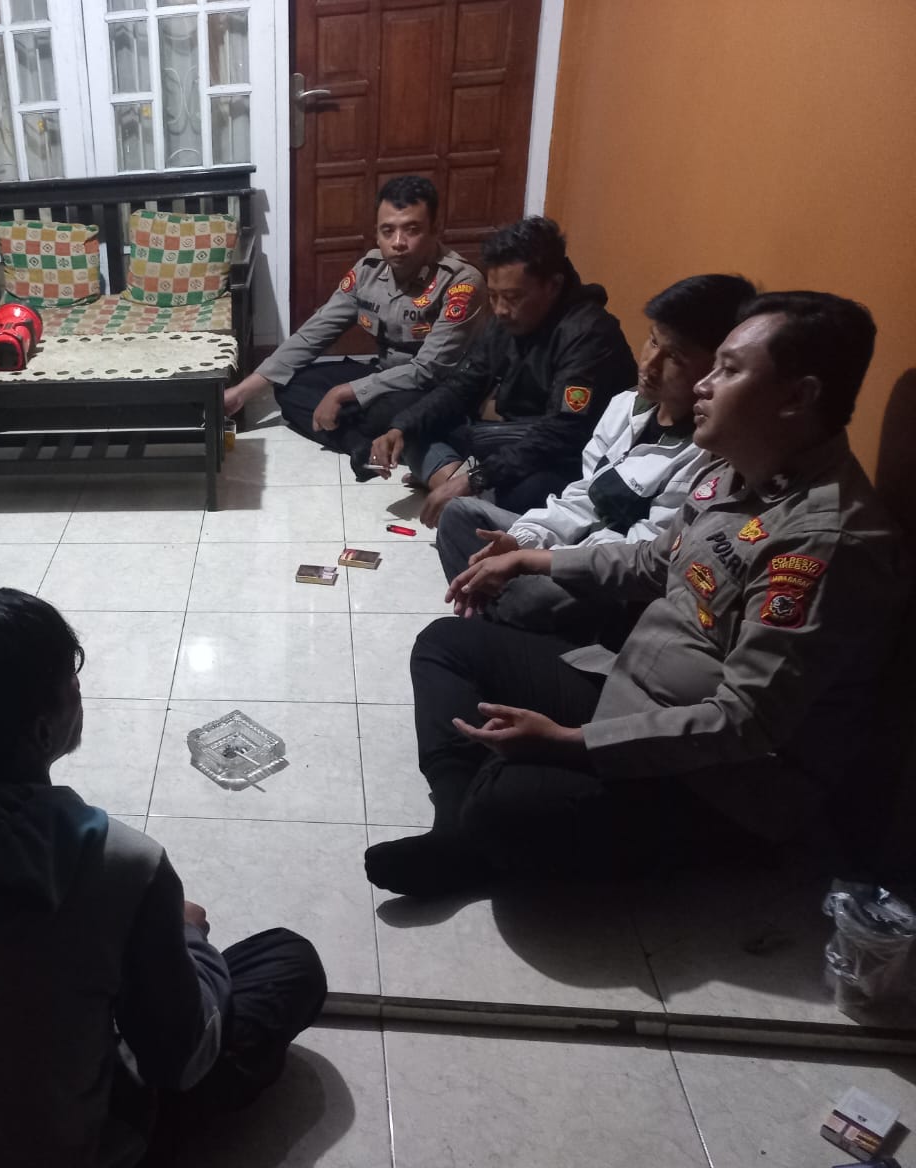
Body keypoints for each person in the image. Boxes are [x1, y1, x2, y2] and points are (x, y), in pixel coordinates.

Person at [364, 291, 910, 898]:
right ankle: (456, 825)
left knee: (507, 803)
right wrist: (529, 557)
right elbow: (654, 560)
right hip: (626, 686)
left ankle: (483, 822)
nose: (704, 384)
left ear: (797, 397)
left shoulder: (825, 541)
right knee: (446, 644)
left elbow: (746, 723)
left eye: (729, 370)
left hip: (716, 781)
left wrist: (570, 744)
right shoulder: (734, 469)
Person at [0, 589, 328, 1168]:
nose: (80, 692)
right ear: (43, 728)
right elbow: (181, 1061)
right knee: (288, 960)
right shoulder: (123, 865)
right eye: (71, 681)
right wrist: (188, 935)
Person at [434, 273, 756, 638]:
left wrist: (542, 562)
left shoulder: (708, 453)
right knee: (460, 516)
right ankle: (501, 630)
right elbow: (582, 495)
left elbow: (642, 554)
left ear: (716, 369)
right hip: (571, 550)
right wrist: (524, 539)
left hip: (614, 580)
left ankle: (496, 634)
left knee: (530, 596)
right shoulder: (626, 405)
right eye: (653, 341)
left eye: (676, 358)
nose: (650, 364)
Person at [365, 216, 638, 521]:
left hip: (565, 456)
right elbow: (463, 386)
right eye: (493, 296)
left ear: (553, 286)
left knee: (524, 493)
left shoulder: (588, 333)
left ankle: (453, 482)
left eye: (512, 297)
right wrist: (401, 428)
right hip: (509, 439)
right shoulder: (506, 320)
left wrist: (476, 478)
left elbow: (563, 433)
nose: (500, 309)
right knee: (413, 423)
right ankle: (459, 486)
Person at [225, 175, 486, 455]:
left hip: (437, 390)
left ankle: (383, 436)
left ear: (434, 230)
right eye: (388, 231)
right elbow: (314, 333)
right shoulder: (368, 271)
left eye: (412, 230)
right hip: (384, 374)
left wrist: (344, 392)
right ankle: (360, 446)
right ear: (377, 234)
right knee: (290, 387)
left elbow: (427, 371)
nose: (398, 242)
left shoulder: (461, 282)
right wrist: (242, 391)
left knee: (381, 409)